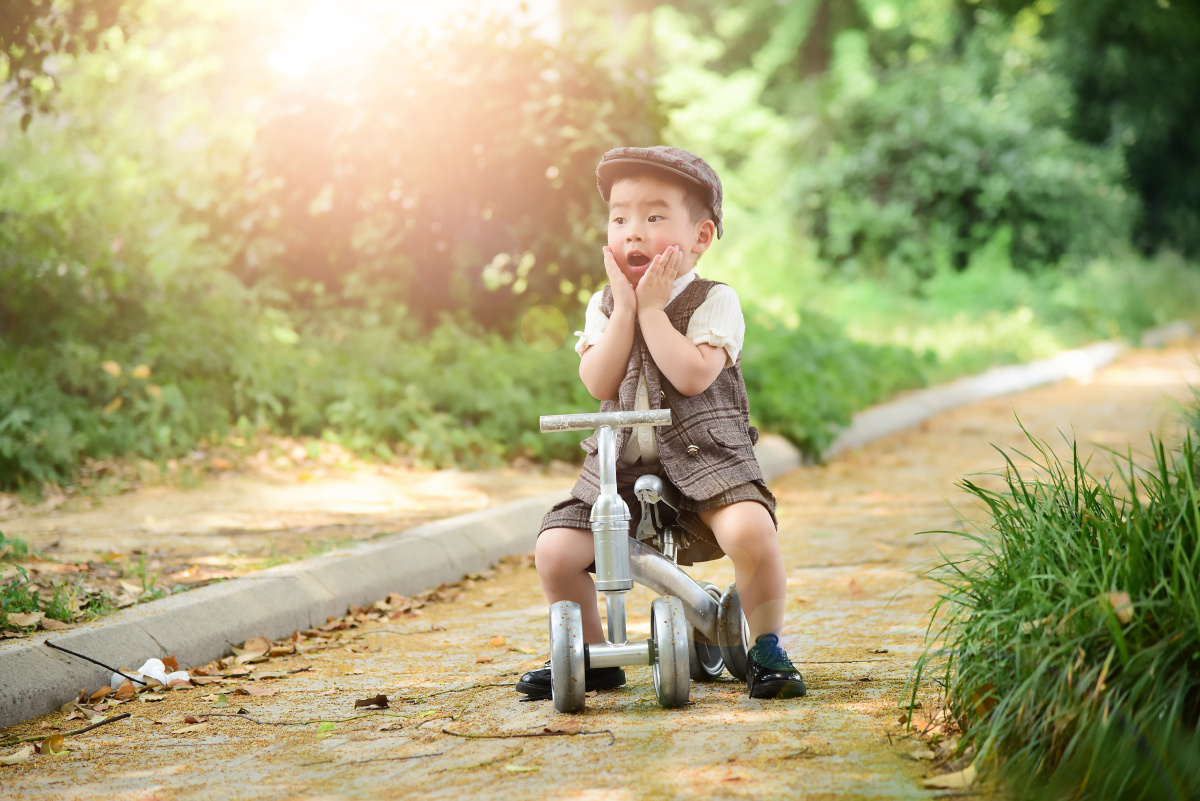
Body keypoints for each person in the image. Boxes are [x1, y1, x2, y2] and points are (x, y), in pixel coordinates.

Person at [516, 146, 806, 700]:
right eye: (620, 218)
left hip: (709, 461)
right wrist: (626, 311)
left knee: (751, 531)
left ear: (699, 237)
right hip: (617, 471)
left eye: (654, 217)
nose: (634, 232)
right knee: (555, 551)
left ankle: (767, 644)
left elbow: (694, 374)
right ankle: (593, 654)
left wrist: (652, 311)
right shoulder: (604, 305)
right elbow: (599, 383)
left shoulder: (714, 301)